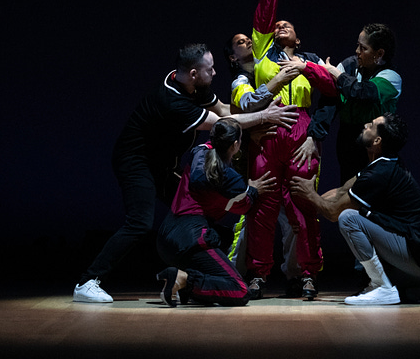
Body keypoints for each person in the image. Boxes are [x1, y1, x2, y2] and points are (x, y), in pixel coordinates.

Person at [73, 43, 298, 303]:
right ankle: (88, 281)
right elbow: (221, 124)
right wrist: (264, 116)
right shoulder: (171, 100)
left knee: (194, 208)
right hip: (136, 162)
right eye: (210, 69)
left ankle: (188, 278)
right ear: (193, 73)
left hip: (162, 165)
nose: (214, 73)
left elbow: (225, 110)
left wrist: (262, 111)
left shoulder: (193, 86)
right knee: (139, 222)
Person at [237, 0, 337, 300]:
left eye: (287, 24)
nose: (280, 25)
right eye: (277, 25)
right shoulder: (263, 52)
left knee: (303, 205)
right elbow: (264, 14)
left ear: (299, 37)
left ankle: (307, 274)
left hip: (299, 134)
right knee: (262, 208)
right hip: (267, 133)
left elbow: (331, 90)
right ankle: (259, 274)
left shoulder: (309, 60)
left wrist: (306, 66)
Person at [290, 113, 420, 305]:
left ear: (377, 140)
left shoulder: (380, 174)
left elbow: (334, 213)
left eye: (372, 125)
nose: (365, 124)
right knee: (402, 290)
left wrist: (309, 195)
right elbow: (341, 193)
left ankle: (381, 287)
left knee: (348, 218)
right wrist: (311, 203)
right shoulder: (383, 165)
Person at [155, 118, 275, 307]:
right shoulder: (229, 179)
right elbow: (243, 206)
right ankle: (183, 279)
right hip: (190, 238)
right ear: (235, 144)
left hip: (165, 237)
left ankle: (184, 285)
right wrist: (252, 190)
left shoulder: (200, 152)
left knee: (224, 236)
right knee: (240, 291)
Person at [223, 35, 304, 296]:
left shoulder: (270, 66)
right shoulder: (241, 81)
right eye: (239, 41)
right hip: (252, 162)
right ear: (232, 57)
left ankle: (295, 276)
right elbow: (246, 106)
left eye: (248, 38)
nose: (246, 40)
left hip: (283, 153)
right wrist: (253, 130)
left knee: (292, 216)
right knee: (249, 221)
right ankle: (233, 276)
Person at [308, 23, 402, 183]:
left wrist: (336, 74)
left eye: (363, 48)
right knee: (347, 189)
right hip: (347, 139)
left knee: (374, 190)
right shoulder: (349, 65)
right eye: (357, 45)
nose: (357, 51)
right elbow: (330, 101)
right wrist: (313, 137)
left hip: (376, 141)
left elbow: (362, 92)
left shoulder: (392, 78)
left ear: (379, 53)